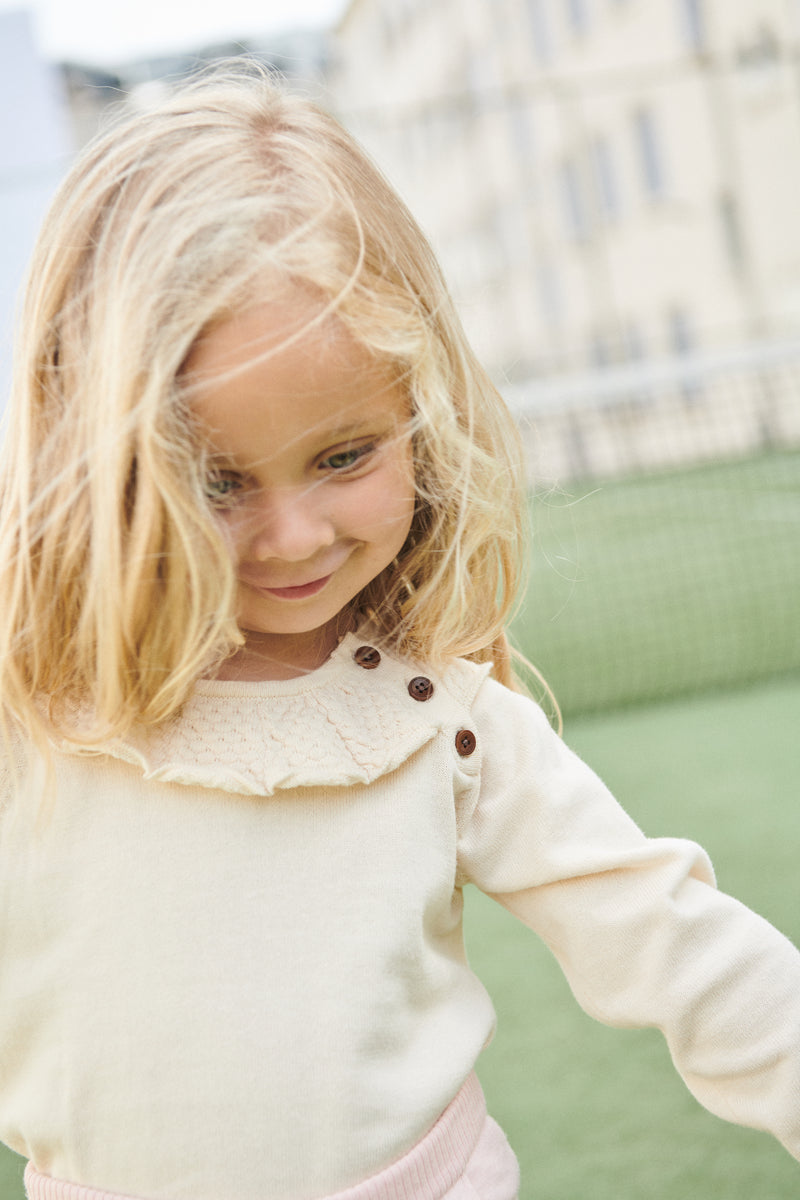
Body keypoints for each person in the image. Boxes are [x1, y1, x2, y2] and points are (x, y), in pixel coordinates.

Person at [0, 67, 797, 1200]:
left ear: (420, 420)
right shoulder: (27, 706)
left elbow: (678, 946)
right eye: (216, 481)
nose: (291, 536)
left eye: (343, 458)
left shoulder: (443, 718)